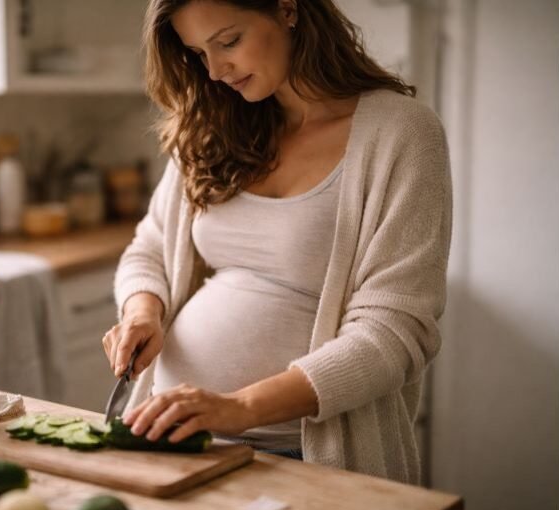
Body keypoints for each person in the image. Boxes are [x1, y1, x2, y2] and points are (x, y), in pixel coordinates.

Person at [101, 0, 451, 485]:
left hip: (303, 454)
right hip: (172, 439)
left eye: (229, 41)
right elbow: (151, 247)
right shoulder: (211, 125)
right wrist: (143, 312)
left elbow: (394, 331)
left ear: (288, 10)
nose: (216, 71)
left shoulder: (401, 133)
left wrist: (240, 406)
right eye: (199, 53)